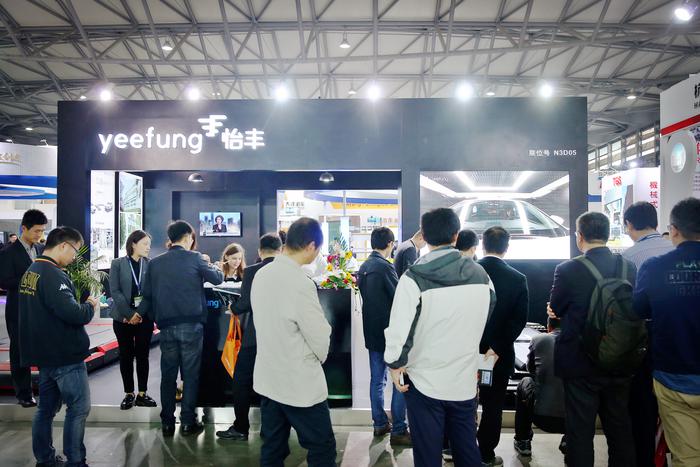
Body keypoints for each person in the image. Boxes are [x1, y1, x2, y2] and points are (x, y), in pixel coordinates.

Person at [385, 208, 495, 467]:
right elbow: (485, 316)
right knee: (467, 449)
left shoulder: (413, 278)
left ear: (423, 236)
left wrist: (395, 365)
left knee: (427, 454)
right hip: (463, 379)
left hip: (424, 382)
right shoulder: (482, 277)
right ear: (456, 236)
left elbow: (399, 329)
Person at [548, 211, 637, 467]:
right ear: (608, 235)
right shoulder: (628, 267)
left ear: (580, 237)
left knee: (580, 431)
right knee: (620, 428)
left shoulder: (568, 269)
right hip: (621, 357)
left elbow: (556, 307)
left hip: (580, 362)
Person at [251, 218, 336, 466]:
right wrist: (319, 357)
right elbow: (319, 335)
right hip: (299, 382)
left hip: (269, 378)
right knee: (322, 447)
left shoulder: (261, 274)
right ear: (311, 246)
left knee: (273, 448)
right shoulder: (300, 283)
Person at [19, 226, 100, 467]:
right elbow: (74, 314)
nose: (75, 256)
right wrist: (90, 305)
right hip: (65, 355)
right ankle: (75, 460)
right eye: (75, 250)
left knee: (45, 410)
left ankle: (44, 458)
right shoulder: (53, 275)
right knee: (78, 408)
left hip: (45, 355)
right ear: (63, 245)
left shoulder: (31, 272)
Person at [138, 220, 223, 437]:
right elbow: (217, 279)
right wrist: (213, 265)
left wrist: (146, 316)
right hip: (192, 325)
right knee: (191, 375)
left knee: (168, 376)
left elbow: (147, 295)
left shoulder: (155, 263)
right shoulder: (195, 258)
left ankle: (167, 423)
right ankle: (187, 422)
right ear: (188, 237)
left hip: (166, 326)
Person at [633, 197, 700, 467]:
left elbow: (638, 310)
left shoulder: (654, 267)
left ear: (673, 230)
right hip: (674, 374)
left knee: (687, 457)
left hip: (673, 376)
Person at [621, 201, 673, 467]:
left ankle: (645, 459)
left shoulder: (627, 258)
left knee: (642, 405)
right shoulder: (674, 250)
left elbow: (630, 306)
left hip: (643, 340)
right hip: (679, 339)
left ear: (628, 225)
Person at [217, 233, 283, 441]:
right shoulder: (287, 270)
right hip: (281, 336)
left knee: (242, 380)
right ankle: (270, 429)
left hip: (256, 336)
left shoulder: (252, 271)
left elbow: (245, 303)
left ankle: (241, 427)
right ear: (280, 250)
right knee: (274, 382)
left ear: (260, 251)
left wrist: (233, 308)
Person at [477, 226, 529, 467]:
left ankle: (453, 447)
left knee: (459, 402)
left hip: (464, 352)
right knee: (492, 405)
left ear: (482, 244)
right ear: (506, 248)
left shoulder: (468, 273)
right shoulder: (517, 279)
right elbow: (518, 321)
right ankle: (486, 454)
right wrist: (495, 349)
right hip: (497, 357)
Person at [357, 227, 410, 446]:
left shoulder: (364, 267)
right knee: (400, 378)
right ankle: (399, 429)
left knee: (377, 380)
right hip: (390, 333)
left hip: (372, 332)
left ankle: (379, 423)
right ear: (390, 244)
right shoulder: (385, 267)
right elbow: (399, 297)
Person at [0, 209, 48, 407]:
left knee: (42, 349)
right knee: (19, 351)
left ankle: (47, 391)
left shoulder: (41, 249)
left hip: (40, 310)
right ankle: (24, 394)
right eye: (36, 231)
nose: (40, 235)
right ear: (24, 228)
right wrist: (30, 279)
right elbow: (4, 281)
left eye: (42, 231)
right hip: (18, 309)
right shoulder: (8, 253)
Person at [108, 230, 157, 411]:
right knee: (126, 356)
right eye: (145, 244)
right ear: (133, 244)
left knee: (143, 355)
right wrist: (129, 314)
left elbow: (150, 293)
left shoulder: (150, 265)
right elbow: (115, 291)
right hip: (122, 318)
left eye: (149, 244)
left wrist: (139, 314)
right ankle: (129, 393)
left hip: (144, 318)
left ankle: (142, 394)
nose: (148, 247)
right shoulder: (118, 264)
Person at [513, 317, 566, 458]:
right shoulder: (579, 341)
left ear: (549, 327)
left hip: (540, 416)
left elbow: (530, 369)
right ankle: (570, 441)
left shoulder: (539, 339)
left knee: (525, 382)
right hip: (572, 419)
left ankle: (523, 440)